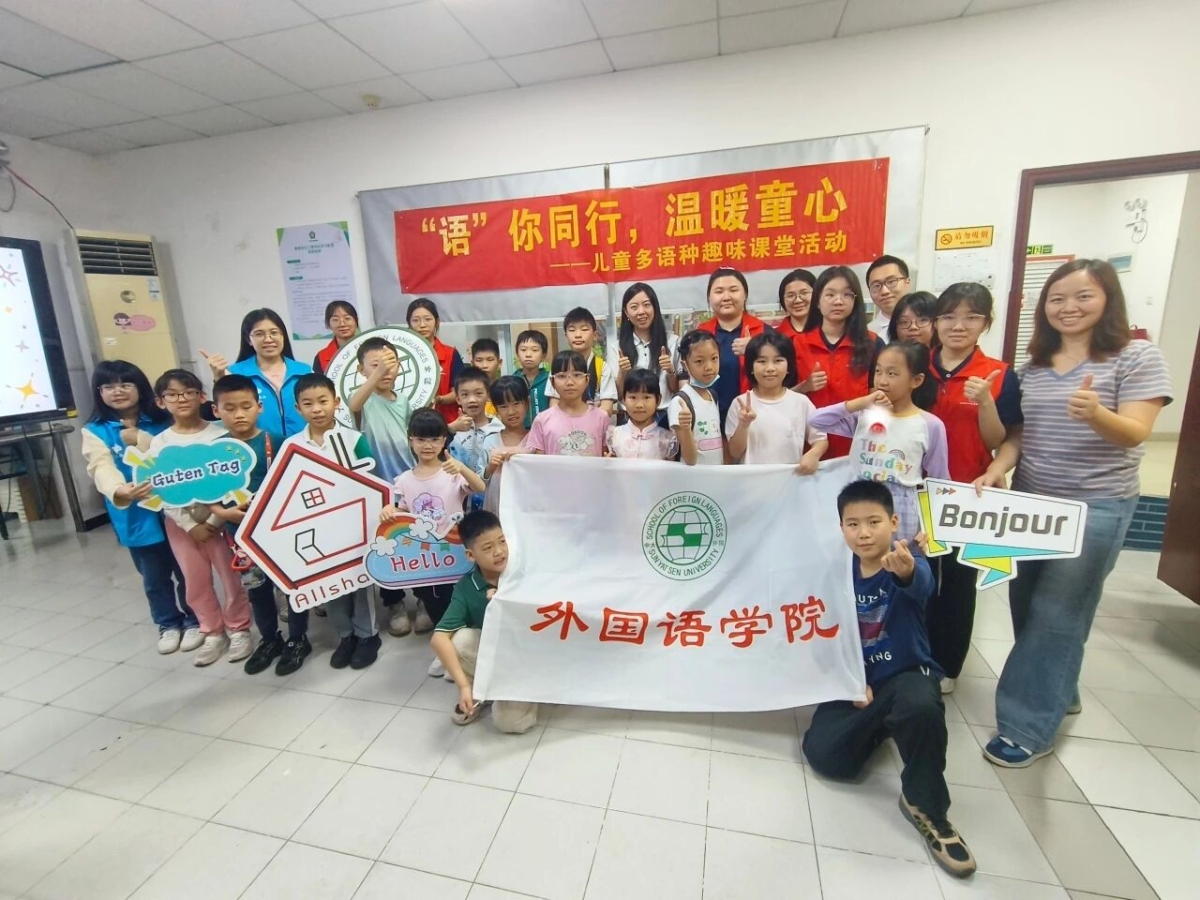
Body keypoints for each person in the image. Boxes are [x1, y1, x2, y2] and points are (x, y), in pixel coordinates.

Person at [975, 260, 1171, 768]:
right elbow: (1019, 435)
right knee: (1026, 605)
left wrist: (1097, 413)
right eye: (1057, 298)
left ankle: (1025, 727)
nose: (1069, 307)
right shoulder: (1032, 367)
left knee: (1058, 613)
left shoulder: (1137, 356)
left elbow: (1136, 431)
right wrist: (997, 469)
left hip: (1096, 505)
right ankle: (1057, 688)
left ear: (1108, 300)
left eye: (1083, 296)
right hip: (1032, 504)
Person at [803, 480, 976, 879]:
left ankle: (926, 807)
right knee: (827, 757)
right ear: (841, 528)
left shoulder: (906, 562)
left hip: (903, 676)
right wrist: (847, 679)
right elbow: (821, 636)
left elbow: (920, 585)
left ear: (894, 522)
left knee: (919, 704)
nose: (863, 533)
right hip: (857, 683)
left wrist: (908, 570)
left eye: (874, 522)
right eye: (853, 524)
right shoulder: (835, 573)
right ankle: (883, 725)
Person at [926, 283, 1022, 693]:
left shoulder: (997, 374)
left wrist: (984, 401)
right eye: (948, 316)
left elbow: (1002, 439)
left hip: (967, 493)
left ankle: (947, 665)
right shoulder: (917, 365)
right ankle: (912, 656)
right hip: (915, 490)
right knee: (916, 576)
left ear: (986, 322)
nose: (958, 325)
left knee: (958, 583)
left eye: (971, 317)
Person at [82, 360, 199, 654]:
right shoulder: (95, 430)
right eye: (109, 386)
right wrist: (119, 489)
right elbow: (100, 466)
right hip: (135, 513)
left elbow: (175, 453)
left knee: (187, 569)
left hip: (174, 508)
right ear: (99, 392)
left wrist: (142, 439)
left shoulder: (162, 419)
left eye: (126, 384)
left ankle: (195, 618)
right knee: (153, 575)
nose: (118, 391)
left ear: (141, 388)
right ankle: (168, 623)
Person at [206, 374, 311, 676]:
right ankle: (269, 639)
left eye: (246, 406)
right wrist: (223, 514)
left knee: (290, 585)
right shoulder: (214, 451)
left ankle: (298, 639)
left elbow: (295, 486)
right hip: (240, 537)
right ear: (216, 410)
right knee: (257, 589)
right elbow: (208, 496)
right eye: (229, 408)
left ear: (259, 406)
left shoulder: (278, 443)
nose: (239, 414)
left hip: (279, 533)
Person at [148, 369, 253, 667]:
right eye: (172, 394)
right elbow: (161, 490)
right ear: (160, 401)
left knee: (232, 578)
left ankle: (239, 628)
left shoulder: (220, 435)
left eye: (189, 392)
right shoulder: (160, 443)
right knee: (195, 581)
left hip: (221, 523)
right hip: (181, 525)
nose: (181, 399)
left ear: (203, 397)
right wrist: (190, 525)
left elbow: (235, 483)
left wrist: (213, 521)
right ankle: (211, 631)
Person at [281, 373, 382, 670]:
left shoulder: (354, 440)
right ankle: (345, 636)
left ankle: (368, 635)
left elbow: (373, 481)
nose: (317, 409)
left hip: (354, 527)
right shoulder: (292, 446)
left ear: (336, 402)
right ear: (298, 408)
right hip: (318, 530)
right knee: (330, 583)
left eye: (323, 401)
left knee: (360, 582)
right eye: (308, 403)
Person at [382, 408, 486, 677]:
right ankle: (445, 653)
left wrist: (462, 468)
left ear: (443, 441)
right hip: (426, 561)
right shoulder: (403, 481)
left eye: (434, 439)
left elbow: (480, 487)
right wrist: (390, 511)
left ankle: (465, 651)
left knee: (462, 604)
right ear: (411, 440)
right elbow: (401, 514)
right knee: (434, 605)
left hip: (457, 556)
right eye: (421, 439)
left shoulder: (452, 472)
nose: (427, 445)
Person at [810, 342, 949, 542]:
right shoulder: (864, 415)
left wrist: (930, 527)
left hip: (901, 506)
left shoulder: (930, 424)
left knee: (899, 557)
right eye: (878, 371)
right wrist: (861, 402)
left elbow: (940, 480)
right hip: (860, 499)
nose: (882, 380)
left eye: (892, 374)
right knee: (861, 557)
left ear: (916, 380)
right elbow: (816, 420)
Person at [430, 510, 539, 732]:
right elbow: (438, 638)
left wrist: (509, 599)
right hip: (500, 657)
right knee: (460, 640)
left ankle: (530, 690)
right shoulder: (466, 587)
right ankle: (479, 692)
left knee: (510, 723)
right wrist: (463, 687)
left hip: (531, 655)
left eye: (502, 541)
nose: (499, 551)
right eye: (488, 548)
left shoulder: (524, 571)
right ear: (471, 555)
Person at [347, 336, 416, 638]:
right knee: (385, 546)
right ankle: (394, 603)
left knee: (414, 541)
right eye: (376, 365)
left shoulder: (404, 401)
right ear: (362, 370)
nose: (385, 371)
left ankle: (423, 599)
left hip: (407, 484)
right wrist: (376, 375)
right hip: (378, 488)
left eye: (390, 364)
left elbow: (414, 436)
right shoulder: (362, 400)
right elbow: (354, 403)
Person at [795, 266, 885, 458]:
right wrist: (805, 386)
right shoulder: (797, 344)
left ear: (855, 300)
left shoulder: (872, 343)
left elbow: (881, 395)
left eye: (847, 294)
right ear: (817, 301)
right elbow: (779, 397)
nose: (838, 301)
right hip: (808, 447)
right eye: (830, 294)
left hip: (857, 446)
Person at [201, 308, 312, 437]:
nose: (268, 339)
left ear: (283, 336)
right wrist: (219, 378)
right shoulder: (235, 373)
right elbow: (226, 410)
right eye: (259, 334)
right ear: (248, 340)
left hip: (301, 444)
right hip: (257, 445)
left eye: (274, 332)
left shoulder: (304, 371)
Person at [725, 331, 826, 471]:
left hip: (790, 479)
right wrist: (744, 424)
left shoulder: (801, 402)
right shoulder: (740, 404)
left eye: (778, 361)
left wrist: (814, 454)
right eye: (761, 361)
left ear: (789, 366)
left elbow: (820, 438)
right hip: (752, 481)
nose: (770, 368)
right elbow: (735, 453)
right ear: (751, 367)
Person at [697, 267, 769, 427]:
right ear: (709, 297)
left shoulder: (765, 333)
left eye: (733, 290)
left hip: (755, 417)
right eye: (719, 291)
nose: (726, 297)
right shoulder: (698, 336)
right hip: (709, 421)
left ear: (745, 295)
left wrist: (756, 350)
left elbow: (781, 376)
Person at [615, 282, 681, 419]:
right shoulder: (616, 347)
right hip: (629, 418)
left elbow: (677, 389)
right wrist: (622, 373)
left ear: (655, 307)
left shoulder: (673, 342)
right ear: (626, 312)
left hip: (665, 416)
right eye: (634, 307)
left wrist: (670, 371)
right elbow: (617, 395)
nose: (641, 311)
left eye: (646, 305)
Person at [527, 350, 612, 457]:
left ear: (587, 379)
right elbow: (539, 463)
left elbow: (606, 456)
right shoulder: (542, 420)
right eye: (562, 376)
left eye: (577, 375)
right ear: (552, 382)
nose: (570, 382)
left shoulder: (601, 417)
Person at [544, 307, 617, 414]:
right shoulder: (559, 366)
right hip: (564, 423)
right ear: (566, 336)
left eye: (584, 329)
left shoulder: (602, 367)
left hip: (593, 422)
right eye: (572, 330)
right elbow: (554, 404)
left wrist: (584, 420)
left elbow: (607, 407)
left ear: (595, 336)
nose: (578, 335)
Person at [669, 330, 725, 466]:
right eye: (699, 361)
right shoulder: (681, 402)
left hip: (715, 475)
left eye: (714, 358)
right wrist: (686, 428)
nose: (709, 367)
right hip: (694, 477)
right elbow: (690, 459)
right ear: (685, 365)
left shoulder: (712, 396)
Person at [449, 366, 502, 505]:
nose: (472, 400)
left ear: (488, 395)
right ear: (458, 399)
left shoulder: (499, 430)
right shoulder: (454, 432)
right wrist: (450, 429)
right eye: (465, 395)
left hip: (492, 501)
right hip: (460, 502)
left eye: (478, 393)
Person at [407, 298, 464, 425]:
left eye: (428, 319)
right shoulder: (402, 355)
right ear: (409, 324)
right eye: (416, 320)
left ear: (437, 322)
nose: (422, 325)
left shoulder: (451, 354)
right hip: (412, 423)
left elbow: (459, 392)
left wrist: (438, 399)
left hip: (446, 422)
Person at [481, 376, 530, 514]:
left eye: (516, 403)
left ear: (527, 403)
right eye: (503, 406)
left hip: (527, 511)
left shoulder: (535, 441)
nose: (511, 411)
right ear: (496, 410)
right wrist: (490, 468)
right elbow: (478, 483)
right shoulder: (490, 441)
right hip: (496, 512)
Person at [607, 368, 678, 460]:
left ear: (658, 400)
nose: (639, 405)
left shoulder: (666, 439)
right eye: (633, 397)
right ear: (624, 399)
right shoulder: (614, 435)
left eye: (646, 397)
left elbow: (670, 468)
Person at [866, 255, 912, 339]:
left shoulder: (929, 325)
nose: (884, 291)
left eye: (891, 281)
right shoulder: (866, 335)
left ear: (907, 282)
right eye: (876, 285)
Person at [514, 329, 550, 427]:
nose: (528, 355)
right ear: (517, 353)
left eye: (534, 350)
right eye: (523, 350)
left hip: (545, 430)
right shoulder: (512, 381)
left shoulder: (550, 379)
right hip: (520, 432)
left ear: (543, 355)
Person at [312, 301, 359, 375]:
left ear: (356, 321)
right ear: (328, 324)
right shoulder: (321, 357)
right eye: (335, 320)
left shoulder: (371, 348)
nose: (342, 324)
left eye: (347, 318)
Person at [774, 268, 816, 343]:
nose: (798, 300)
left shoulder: (830, 333)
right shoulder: (773, 338)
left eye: (804, 293)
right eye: (790, 295)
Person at [471, 337, 502, 416]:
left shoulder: (505, 391)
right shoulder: (468, 394)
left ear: (499, 363)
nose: (484, 365)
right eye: (479, 360)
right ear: (472, 364)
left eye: (490, 360)